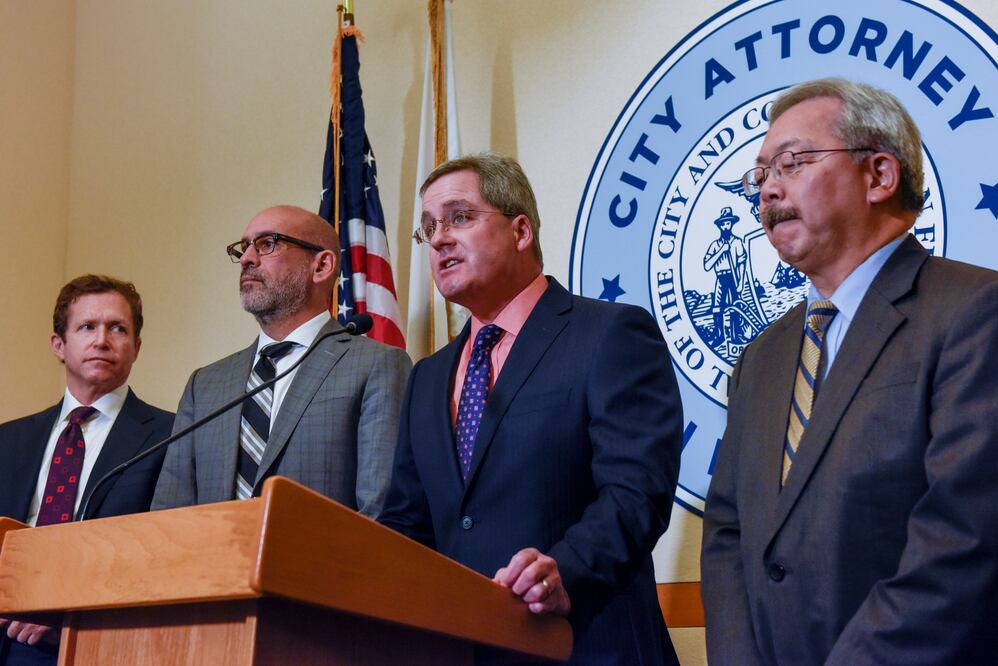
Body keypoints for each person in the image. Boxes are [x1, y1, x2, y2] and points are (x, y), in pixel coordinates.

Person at [701, 78, 998, 664]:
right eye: (760, 175)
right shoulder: (762, 356)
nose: (768, 191)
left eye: (792, 162)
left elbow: (964, 539)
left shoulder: (974, 312)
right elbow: (729, 532)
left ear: (879, 176)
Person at [378, 153, 683, 664]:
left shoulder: (610, 334)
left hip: (585, 642)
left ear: (520, 231)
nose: (438, 239)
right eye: (428, 228)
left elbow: (635, 493)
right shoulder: (427, 377)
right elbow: (407, 524)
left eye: (459, 217)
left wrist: (566, 571)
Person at [152, 205, 410, 517]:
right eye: (243, 247)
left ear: (321, 265)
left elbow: (379, 511)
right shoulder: (204, 385)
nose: (247, 258)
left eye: (267, 243)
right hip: (215, 565)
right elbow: (168, 517)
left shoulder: (375, 366)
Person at [0, 275, 174, 665]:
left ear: (137, 347)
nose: (102, 340)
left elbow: (164, 556)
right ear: (58, 345)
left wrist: (73, 615)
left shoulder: (173, 436)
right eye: (87, 327)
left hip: (102, 642)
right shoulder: (7, 440)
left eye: (118, 328)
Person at [702, 206, 747, 344]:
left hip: (734, 277)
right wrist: (722, 250)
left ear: (732, 224)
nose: (726, 226)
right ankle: (719, 336)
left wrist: (741, 282)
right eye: (723, 224)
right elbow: (707, 265)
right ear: (720, 226)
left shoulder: (738, 242)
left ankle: (736, 335)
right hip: (721, 278)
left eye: (728, 223)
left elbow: (742, 264)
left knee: (735, 306)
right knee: (717, 307)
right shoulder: (715, 246)